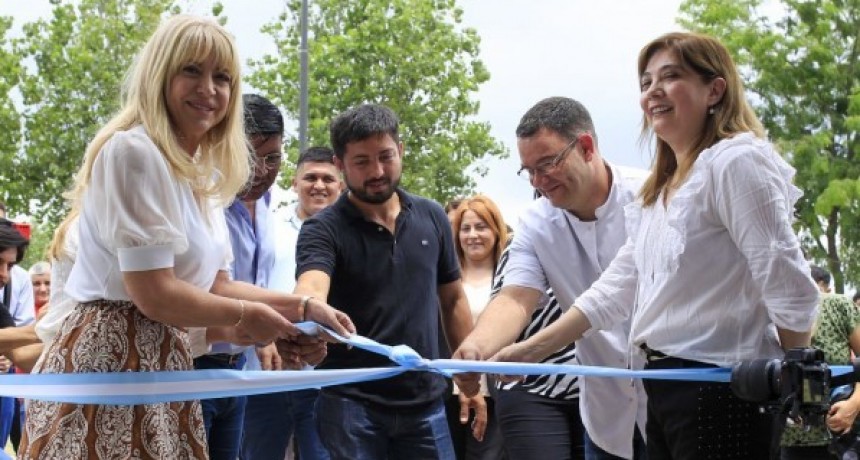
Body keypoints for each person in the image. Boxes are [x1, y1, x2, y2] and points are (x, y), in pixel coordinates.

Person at [19, 15, 354, 459]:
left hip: (166, 362)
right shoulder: (134, 151)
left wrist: (302, 309)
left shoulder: (202, 173)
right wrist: (251, 318)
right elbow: (154, 293)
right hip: (113, 364)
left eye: (222, 77)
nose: (208, 89)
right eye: (191, 70)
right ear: (160, 75)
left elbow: (215, 285)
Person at [485, 32, 819, 459]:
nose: (653, 91)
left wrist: (797, 376)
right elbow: (614, 290)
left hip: (721, 389)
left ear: (715, 90)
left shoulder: (735, 160)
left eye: (671, 76)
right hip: (664, 389)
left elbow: (785, 279)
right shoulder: (662, 188)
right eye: (646, 82)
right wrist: (527, 351)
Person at [453, 96, 646, 460]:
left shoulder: (651, 196)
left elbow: (614, 297)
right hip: (607, 417)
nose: (539, 181)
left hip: (668, 404)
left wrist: (532, 349)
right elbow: (515, 298)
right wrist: (476, 348)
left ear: (586, 147)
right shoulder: (536, 223)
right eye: (528, 171)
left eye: (547, 164)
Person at [295, 103, 482, 460]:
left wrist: (468, 372)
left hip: (427, 402)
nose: (377, 171)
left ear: (401, 150)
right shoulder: (322, 229)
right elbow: (311, 287)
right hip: (351, 404)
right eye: (362, 161)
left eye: (386, 156)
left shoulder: (432, 216)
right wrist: (308, 307)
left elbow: (453, 299)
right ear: (339, 164)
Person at [194, 93, 285, 460]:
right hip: (194, 365)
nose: (262, 171)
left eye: (273, 158)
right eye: (249, 158)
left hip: (239, 367)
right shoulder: (204, 202)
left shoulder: (269, 205)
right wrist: (298, 309)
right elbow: (214, 288)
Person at [242, 145, 343, 460]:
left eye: (328, 179)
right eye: (310, 177)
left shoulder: (353, 234)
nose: (319, 185)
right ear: (294, 182)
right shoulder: (267, 227)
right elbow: (246, 285)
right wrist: (262, 336)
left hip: (327, 379)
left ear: (341, 185)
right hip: (266, 373)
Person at [446, 194, 507, 460]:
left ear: (496, 231)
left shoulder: (512, 279)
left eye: (481, 227)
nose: (472, 235)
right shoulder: (445, 280)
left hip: (498, 394)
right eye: (465, 228)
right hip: (447, 392)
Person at [780, 265, 860, 459]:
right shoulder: (759, 310)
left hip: (839, 438)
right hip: (779, 439)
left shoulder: (838, 306)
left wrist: (854, 404)